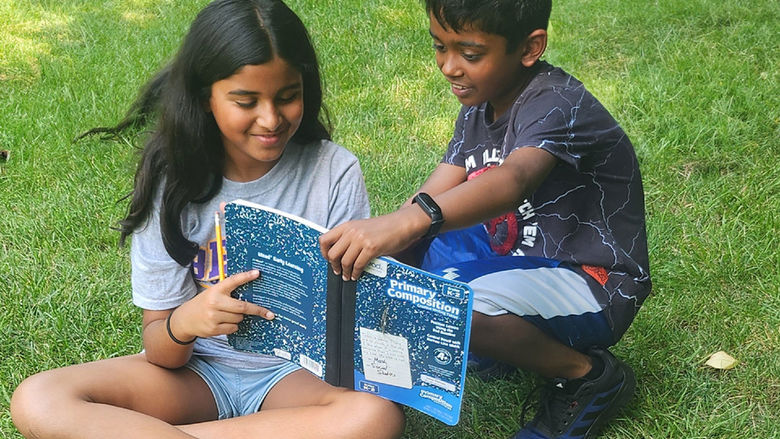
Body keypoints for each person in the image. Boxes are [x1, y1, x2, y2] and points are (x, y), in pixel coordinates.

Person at [10, 1, 405, 438]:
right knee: (38, 398)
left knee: (376, 416)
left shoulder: (334, 172)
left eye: (288, 96)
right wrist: (185, 322)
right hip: (197, 373)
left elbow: (353, 332)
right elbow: (159, 347)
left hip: (296, 381)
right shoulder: (172, 180)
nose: (271, 118)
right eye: (245, 101)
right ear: (205, 98)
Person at [319, 1, 651, 438]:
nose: (449, 67)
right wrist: (378, 251)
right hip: (520, 257)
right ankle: (497, 349)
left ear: (531, 47)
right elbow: (436, 192)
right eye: (439, 47)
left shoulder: (557, 102)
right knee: (414, 260)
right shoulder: (481, 103)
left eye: (470, 54)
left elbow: (512, 181)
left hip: (592, 280)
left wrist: (413, 221)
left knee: (447, 303)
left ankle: (587, 375)